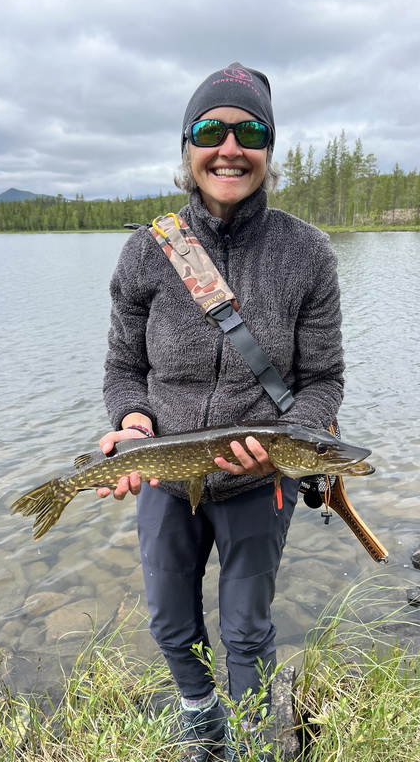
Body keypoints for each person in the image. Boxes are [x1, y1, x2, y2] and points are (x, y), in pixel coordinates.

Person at [98, 62, 344, 762]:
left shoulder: (308, 253)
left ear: (269, 149)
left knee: (245, 627)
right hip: (165, 473)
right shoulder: (147, 251)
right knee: (170, 622)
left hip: (260, 480)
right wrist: (133, 420)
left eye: (250, 132)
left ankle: (252, 735)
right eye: (210, 130)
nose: (229, 148)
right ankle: (202, 721)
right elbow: (123, 369)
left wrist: (288, 440)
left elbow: (323, 380)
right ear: (188, 148)